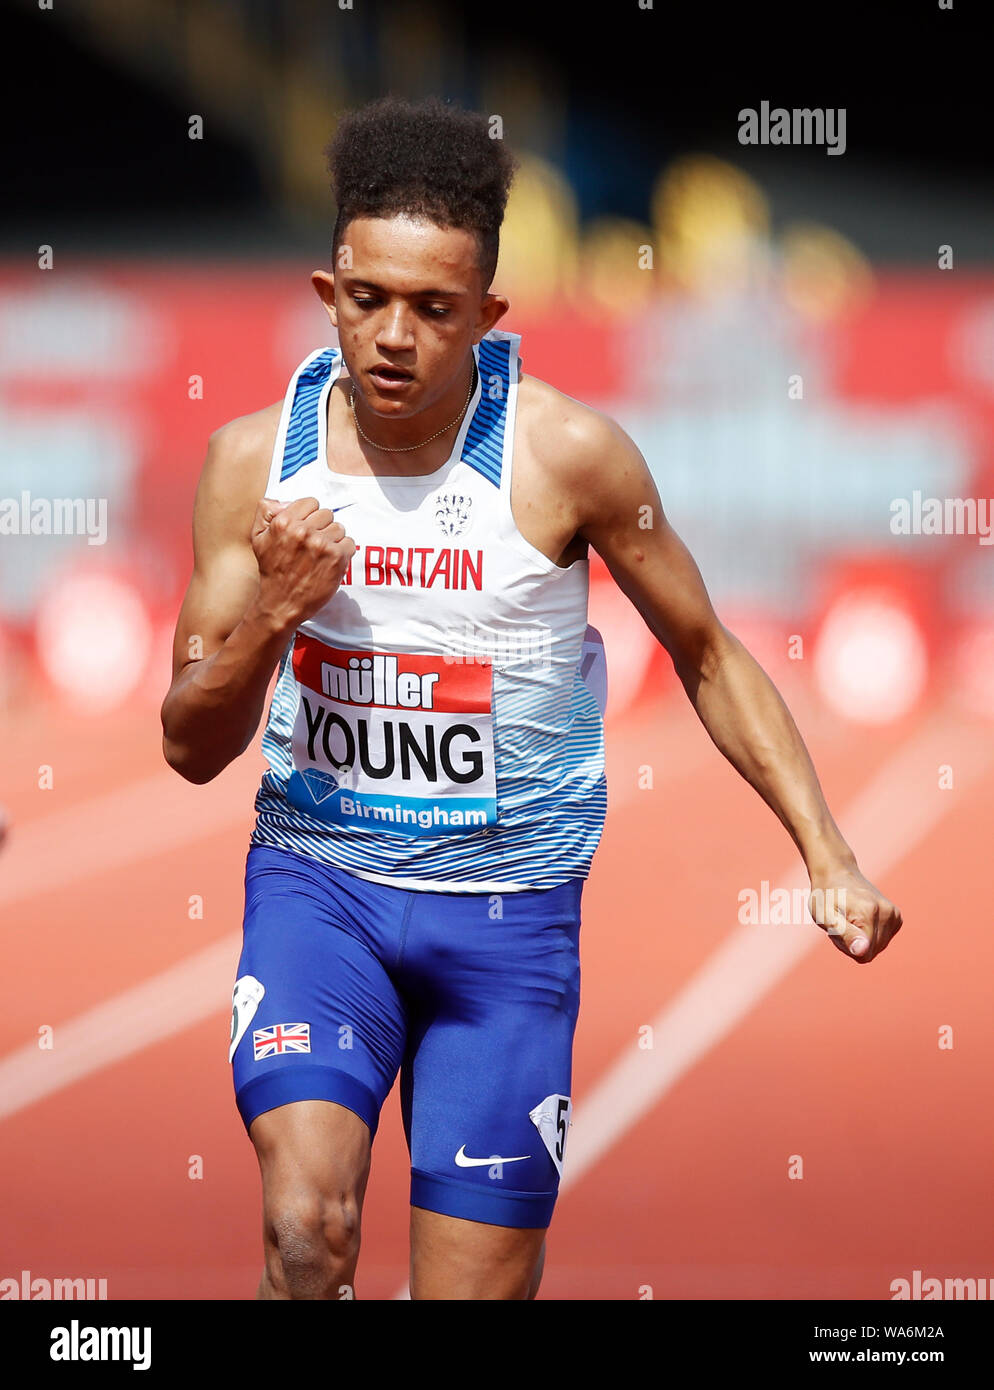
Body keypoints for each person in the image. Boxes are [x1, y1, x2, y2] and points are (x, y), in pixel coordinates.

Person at [160, 95, 902, 1301]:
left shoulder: (569, 458)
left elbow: (707, 652)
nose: (394, 336)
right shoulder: (253, 462)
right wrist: (274, 616)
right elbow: (189, 745)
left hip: (505, 930)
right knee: (305, 1231)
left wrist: (826, 851)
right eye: (367, 300)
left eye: (434, 309)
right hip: (321, 894)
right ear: (324, 290)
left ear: (489, 315)